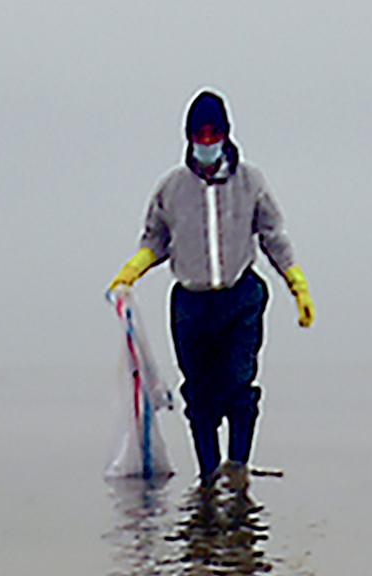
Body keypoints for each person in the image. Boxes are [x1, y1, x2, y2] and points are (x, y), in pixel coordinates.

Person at [109, 91, 312, 481]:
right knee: (199, 396)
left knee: (238, 386)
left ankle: (236, 469)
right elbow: (155, 239)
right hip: (191, 303)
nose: (206, 142)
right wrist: (134, 268)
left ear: (225, 135)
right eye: (198, 135)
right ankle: (208, 476)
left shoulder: (250, 182)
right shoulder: (171, 188)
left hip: (240, 298)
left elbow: (273, 235)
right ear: (188, 138)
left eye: (212, 133)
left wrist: (296, 283)